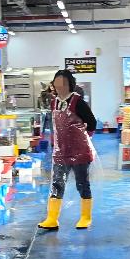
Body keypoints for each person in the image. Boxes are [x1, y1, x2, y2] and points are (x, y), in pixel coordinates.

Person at [38, 68, 97, 231]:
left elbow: (91, 122)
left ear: (70, 85)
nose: (59, 87)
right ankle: (52, 218)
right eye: (57, 84)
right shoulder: (54, 102)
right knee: (57, 183)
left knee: (82, 183)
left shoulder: (78, 102)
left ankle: (86, 217)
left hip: (80, 152)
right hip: (60, 151)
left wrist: (85, 138)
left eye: (63, 83)